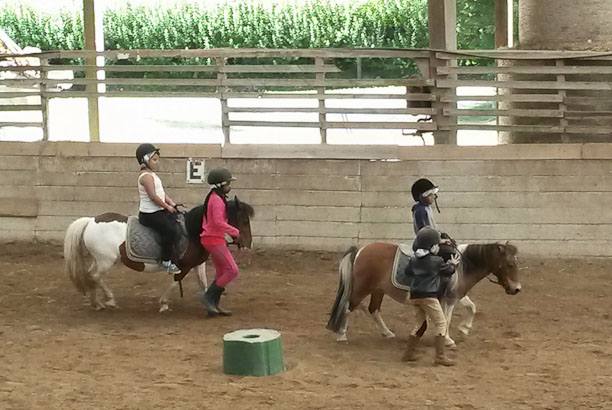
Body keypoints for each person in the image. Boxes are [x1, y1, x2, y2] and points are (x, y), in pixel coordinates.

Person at [402, 227, 459, 366]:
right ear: (432, 247)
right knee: (441, 323)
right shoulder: (437, 261)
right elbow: (449, 271)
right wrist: (453, 264)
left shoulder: (413, 260)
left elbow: (407, 272)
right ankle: (440, 356)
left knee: (420, 324)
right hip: (429, 296)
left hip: (415, 296)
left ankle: (408, 353)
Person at [200, 167, 239, 317]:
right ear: (220, 184)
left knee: (222, 271)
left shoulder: (216, 197)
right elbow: (217, 222)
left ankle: (214, 304)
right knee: (232, 270)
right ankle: (209, 296)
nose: (229, 186)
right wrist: (234, 231)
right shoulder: (216, 200)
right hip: (214, 239)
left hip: (213, 239)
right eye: (228, 183)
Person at [136, 143, 181, 274]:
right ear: (145, 160)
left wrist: (171, 202)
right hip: (149, 213)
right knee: (169, 230)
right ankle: (165, 261)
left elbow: (162, 193)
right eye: (154, 160)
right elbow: (153, 196)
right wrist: (167, 207)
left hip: (157, 210)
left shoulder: (153, 175)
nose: (157, 162)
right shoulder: (145, 177)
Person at [411, 178, 456, 297]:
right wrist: (440, 241)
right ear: (422, 196)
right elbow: (426, 231)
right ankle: (441, 288)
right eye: (430, 194)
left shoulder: (426, 208)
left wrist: (442, 235)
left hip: (432, 239)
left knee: (452, 245)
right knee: (449, 252)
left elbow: (432, 228)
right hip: (426, 243)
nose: (433, 197)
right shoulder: (420, 210)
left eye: (433, 194)